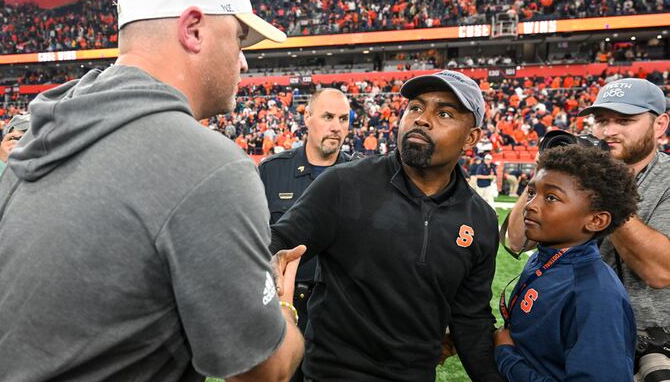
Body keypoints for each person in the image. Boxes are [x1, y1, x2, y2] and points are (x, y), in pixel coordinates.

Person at [0, 0, 305, 381]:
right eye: (238, 37)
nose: (243, 58)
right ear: (194, 30)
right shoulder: (209, 165)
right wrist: (284, 306)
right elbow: (263, 371)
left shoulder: (42, 133)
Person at [270, 70, 506, 381]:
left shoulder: (481, 220)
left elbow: (470, 318)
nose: (422, 119)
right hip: (333, 374)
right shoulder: (344, 184)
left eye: (444, 112)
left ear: (471, 137)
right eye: (416, 107)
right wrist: (269, 258)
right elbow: (280, 240)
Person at [503, 78, 670, 377]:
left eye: (625, 120)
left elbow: (659, 271)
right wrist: (551, 171)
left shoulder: (666, 179)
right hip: (562, 327)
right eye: (601, 120)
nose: (608, 131)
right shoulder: (573, 173)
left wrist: (602, 188)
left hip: (650, 343)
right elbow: (515, 240)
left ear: (659, 125)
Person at [494, 145, 637, 381]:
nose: (531, 205)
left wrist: (507, 357)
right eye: (531, 193)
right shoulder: (548, 256)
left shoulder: (595, 296)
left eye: (551, 197)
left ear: (596, 220)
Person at [258, 88, 352, 382]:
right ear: (307, 118)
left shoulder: (362, 174)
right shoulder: (273, 171)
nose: (336, 126)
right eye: (327, 117)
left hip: (340, 314)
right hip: (283, 308)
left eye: (343, 118)